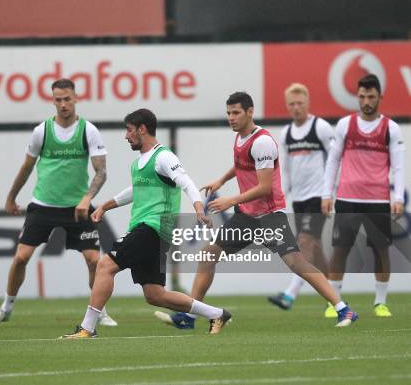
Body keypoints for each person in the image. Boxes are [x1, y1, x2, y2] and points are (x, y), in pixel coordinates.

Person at [156, 92, 358, 329]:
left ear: (250, 112)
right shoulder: (241, 138)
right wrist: (221, 180)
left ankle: (343, 309)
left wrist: (231, 200)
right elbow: (242, 162)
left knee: (296, 262)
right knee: (208, 255)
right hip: (247, 216)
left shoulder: (262, 142)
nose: (231, 117)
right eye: (229, 113)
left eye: (236, 113)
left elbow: (264, 187)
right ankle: (189, 317)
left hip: (269, 216)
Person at [61, 108, 231, 339]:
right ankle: (217, 314)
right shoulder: (139, 162)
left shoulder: (163, 157)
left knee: (105, 265)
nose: (126, 136)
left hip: (153, 228)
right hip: (152, 232)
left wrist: (198, 207)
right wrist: (104, 206)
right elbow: (134, 191)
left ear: (142, 129)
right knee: (155, 295)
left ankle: (87, 328)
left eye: (129, 130)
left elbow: (186, 182)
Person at [0, 78, 117, 327]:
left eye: (67, 98)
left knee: (94, 260)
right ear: (52, 101)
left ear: (76, 98)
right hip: (43, 205)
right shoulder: (42, 131)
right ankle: (6, 307)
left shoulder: (88, 130)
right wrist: (11, 197)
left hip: (77, 208)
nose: (63, 104)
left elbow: (101, 172)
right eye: (58, 99)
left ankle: (100, 310)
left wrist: (87, 198)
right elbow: (27, 167)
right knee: (21, 258)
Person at [322, 74, 405, 318]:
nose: (366, 101)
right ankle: (333, 302)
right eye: (361, 96)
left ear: (380, 97)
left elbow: (399, 167)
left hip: (378, 200)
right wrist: (327, 194)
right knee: (340, 249)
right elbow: (333, 161)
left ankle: (380, 302)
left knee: (381, 250)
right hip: (347, 198)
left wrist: (397, 197)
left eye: (371, 96)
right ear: (357, 97)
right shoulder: (345, 125)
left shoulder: (390, 128)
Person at [268, 83, 333, 310]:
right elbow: (284, 167)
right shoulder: (286, 133)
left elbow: (335, 161)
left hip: (318, 196)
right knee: (315, 247)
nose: (296, 108)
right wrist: (281, 194)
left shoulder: (321, 128)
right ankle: (336, 299)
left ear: (308, 103)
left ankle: (289, 294)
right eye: (292, 104)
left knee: (304, 242)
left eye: (300, 103)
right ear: (287, 106)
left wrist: (329, 193)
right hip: (299, 199)